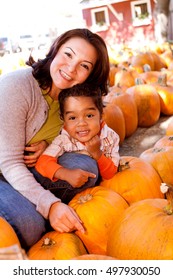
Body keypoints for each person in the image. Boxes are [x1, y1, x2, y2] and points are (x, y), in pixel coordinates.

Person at [0, 28, 110, 250]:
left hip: (22, 168)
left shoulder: (72, 100)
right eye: (68, 54)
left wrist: (48, 145)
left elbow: (80, 141)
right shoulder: (16, 87)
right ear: (55, 50)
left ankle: (28, 201)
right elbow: (9, 162)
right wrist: (50, 205)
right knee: (29, 226)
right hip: (5, 167)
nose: (71, 68)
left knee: (86, 169)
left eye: (84, 65)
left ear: (92, 75)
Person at [31, 83, 120, 204]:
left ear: (100, 115)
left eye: (89, 115)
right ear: (64, 120)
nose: (81, 123)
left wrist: (97, 153)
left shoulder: (110, 137)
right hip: (63, 181)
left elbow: (110, 173)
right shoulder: (64, 138)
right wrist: (66, 174)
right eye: (73, 118)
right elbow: (43, 163)